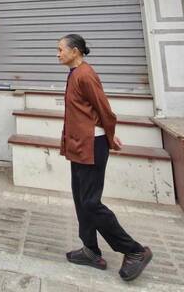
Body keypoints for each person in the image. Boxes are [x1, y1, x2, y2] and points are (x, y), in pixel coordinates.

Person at [57, 34, 153, 282]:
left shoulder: (86, 75)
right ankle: (90, 250)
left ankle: (134, 251)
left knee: (90, 202)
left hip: (92, 145)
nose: (58, 54)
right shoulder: (74, 73)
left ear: (75, 51)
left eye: (60, 50)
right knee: (81, 199)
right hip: (79, 146)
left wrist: (109, 136)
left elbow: (104, 109)